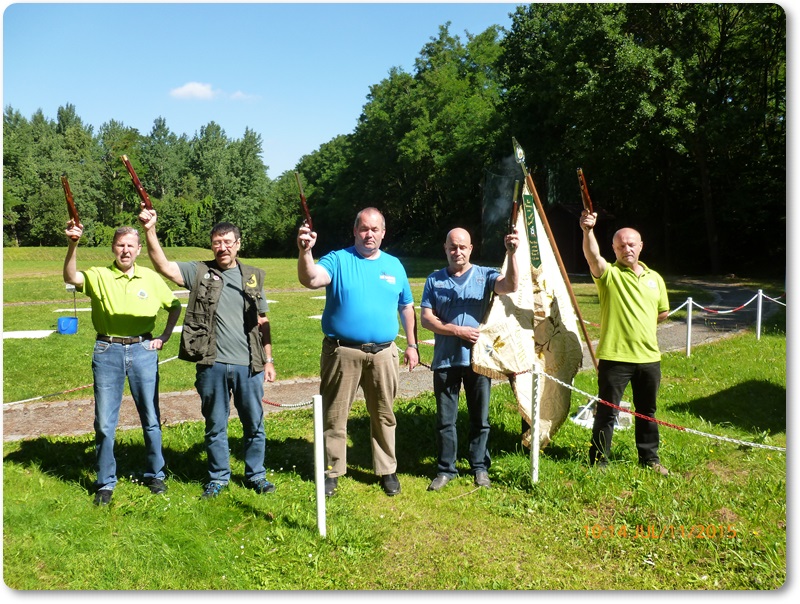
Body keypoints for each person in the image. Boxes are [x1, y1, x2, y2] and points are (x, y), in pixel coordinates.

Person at [139, 208, 277, 498]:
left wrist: (268, 359)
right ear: (212, 245)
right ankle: (218, 478)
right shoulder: (199, 272)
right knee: (215, 426)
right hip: (211, 364)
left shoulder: (252, 277)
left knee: (254, 425)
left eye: (228, 242)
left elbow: (263, 321)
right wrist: (150, 230)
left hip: (249, 365)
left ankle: (256, 475)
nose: (222, 247)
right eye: (217, 242)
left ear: (238, 244)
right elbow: (163, 265)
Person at [297, 208, 419, 497]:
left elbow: (406, 306)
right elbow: (311, 279)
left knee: (384, 414)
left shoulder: (394, 265)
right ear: (354, 231)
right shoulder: (338, 260)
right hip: (342, 352)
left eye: (375, 229)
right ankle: (332, 471)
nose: (369, 234)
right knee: (334, 415)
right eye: (364, 228)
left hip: (384, 354)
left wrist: (412, 344)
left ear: (383, 233)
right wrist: (305, 252)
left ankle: (387, 469)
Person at [63, 221, 182, 506]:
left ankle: (155, 474)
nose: (125, 250)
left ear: (139, 250)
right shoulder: (99, 275)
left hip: (143, 350)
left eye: (130, 245)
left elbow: (174, 306)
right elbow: (70, 276)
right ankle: (105, 482)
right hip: (108, 351)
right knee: (105, 423)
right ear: (113, 248)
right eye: (120, 245)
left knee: (151, 418)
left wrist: (164, 336)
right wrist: (72, 244)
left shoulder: (151, 278)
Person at [420, 227, 519, 491]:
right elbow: (426, 319)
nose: (457, 252)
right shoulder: (434, 280)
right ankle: (445, 470)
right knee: (445, 421)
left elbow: (510, 286)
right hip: (446, 360)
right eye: (452, 247)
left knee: (480, 420)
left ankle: (479, 468)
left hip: (478, 360)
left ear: (471, 249)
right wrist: (457, 330)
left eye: (462, 247)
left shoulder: (485, 276)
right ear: (445, 249)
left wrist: (512, 254)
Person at [579, 210, 670, 475]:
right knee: (607, 413)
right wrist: (588, 231)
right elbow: (592, 257)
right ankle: (599, 461)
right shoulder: (609, 275)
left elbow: (662, 312)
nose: (626, 249)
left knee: (647, 412)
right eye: (620, 246)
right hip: (615, 357)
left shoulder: (655, 278)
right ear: (614, 249)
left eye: (631, 244)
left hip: (649, 358)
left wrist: (640, 324)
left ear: (641, 246)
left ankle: (650, 459)